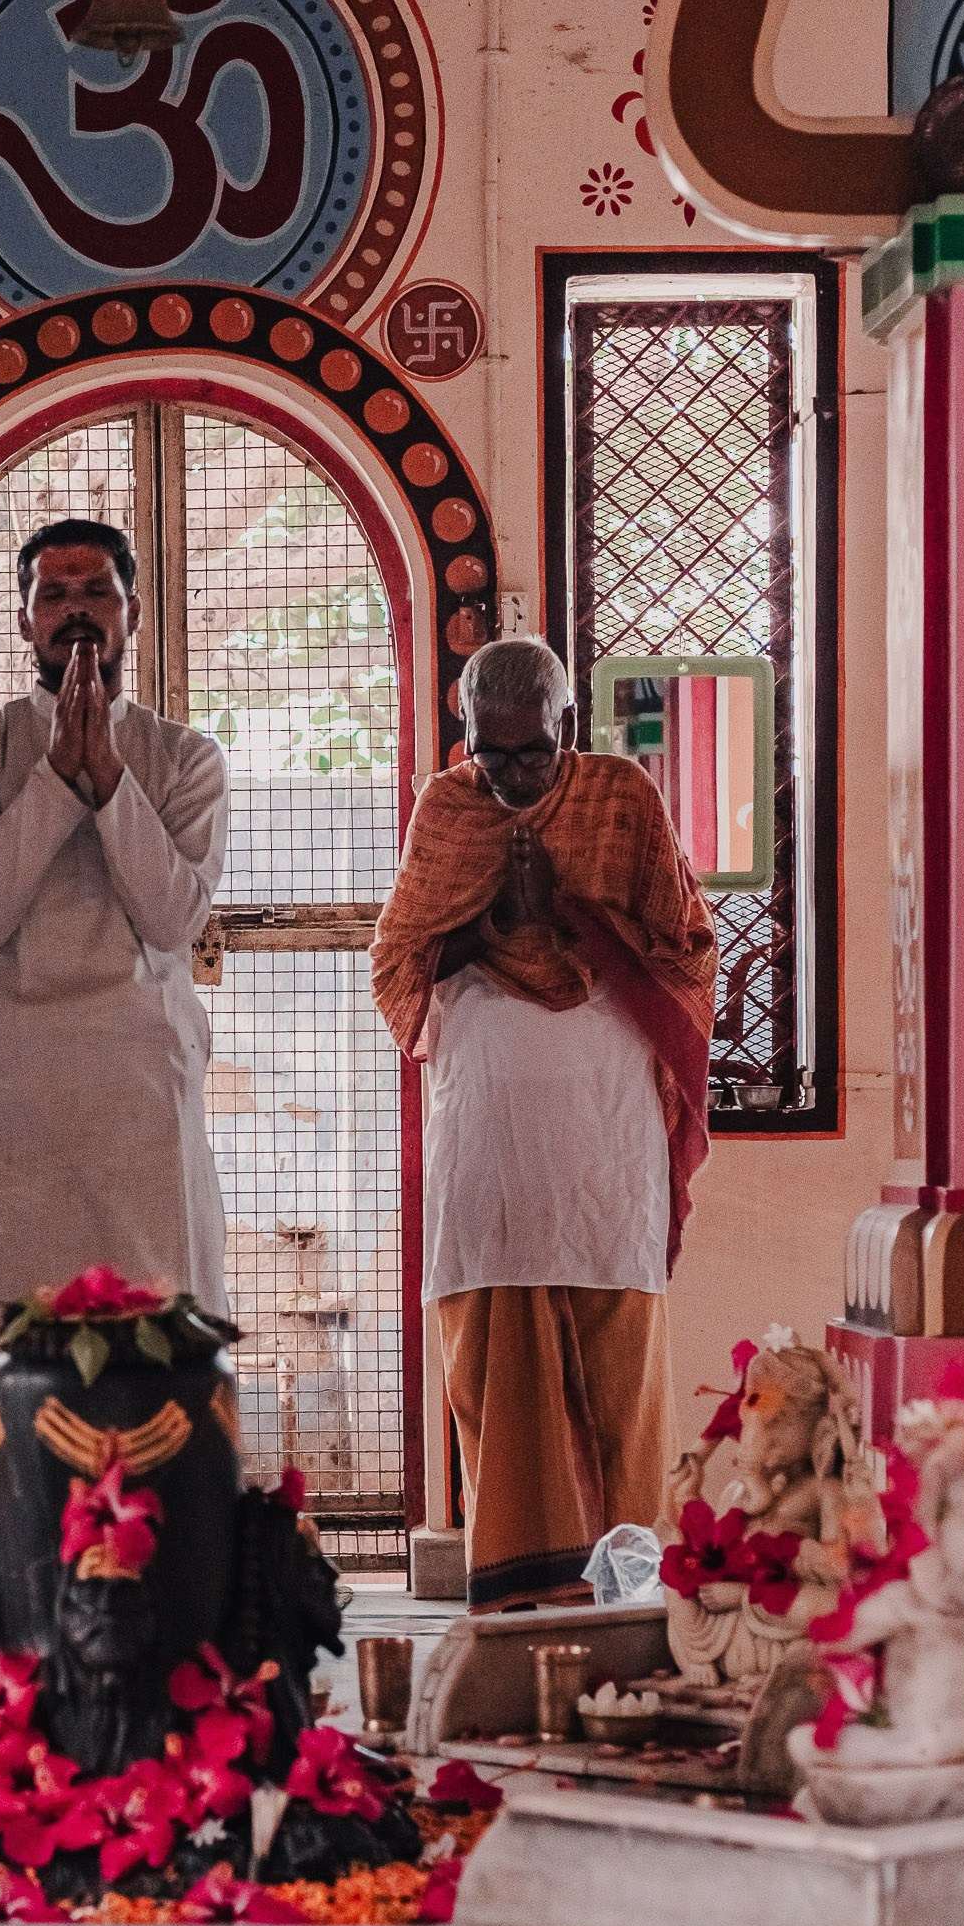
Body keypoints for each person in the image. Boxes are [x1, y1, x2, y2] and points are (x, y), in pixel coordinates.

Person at [371, 635, 716, 1613]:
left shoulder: (622, 798)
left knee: (619, 1364)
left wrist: (577, 921)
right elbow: (396, 963)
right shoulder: (446, 808)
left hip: (604, 1120)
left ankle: (633, 1602)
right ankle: (524, 1603)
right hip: (487, 1115)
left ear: (569, 728)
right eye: (493, 753)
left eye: (533, 753)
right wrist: (484, 927)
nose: (514, 777)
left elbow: (687, 947)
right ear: (468, 737)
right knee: (500, 1357)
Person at [0, 519, 230, 1447]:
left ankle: (162, 1536)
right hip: (15, 1084)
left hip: (140, 1084)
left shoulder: (185, 757)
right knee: (17, 1330)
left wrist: (108, 781)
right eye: (53, 596)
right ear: (23, 621)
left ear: (132, 611)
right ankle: (13, 1553)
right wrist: (58, 779)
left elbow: (173, 920)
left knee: (151, 1316)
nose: (76, 614)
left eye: (95, 592)